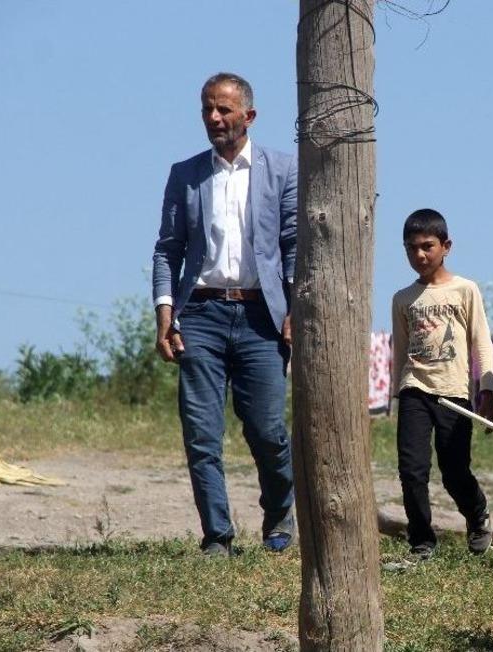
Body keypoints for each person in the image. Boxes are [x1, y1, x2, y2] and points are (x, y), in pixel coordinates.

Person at [152, 72, 297, 557]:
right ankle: (217, 535)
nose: (214, 118)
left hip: (261, 318)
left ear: (248, 116)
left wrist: (295, 309)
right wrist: (165, 313)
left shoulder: (283, 170)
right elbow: (168, 250)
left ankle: (279, 511)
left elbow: (294, 246)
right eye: (207, 110)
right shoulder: (186, 174)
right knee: (201, 434)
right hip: (201, 314)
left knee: (267, 430)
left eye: (224, 110)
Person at [391, 209, 493, 559]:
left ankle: (477, 513)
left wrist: (488, 389)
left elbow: (482, 342)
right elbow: (400, 349)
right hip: (414, 390)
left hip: (454, 394)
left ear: (446, 246)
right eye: (411, 248)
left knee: (453, 471)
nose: (419, 255)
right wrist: (396, 395)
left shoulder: (465, 290)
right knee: (412, 470)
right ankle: (421, 540)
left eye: (427, 246)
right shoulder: (403, 299)